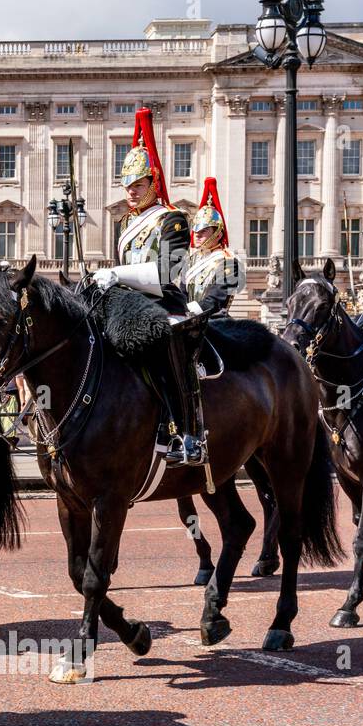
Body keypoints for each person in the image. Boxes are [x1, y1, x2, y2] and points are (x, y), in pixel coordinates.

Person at [91, 106, 203, 467]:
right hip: (128, 302)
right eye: (127, 186)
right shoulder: (125, 224)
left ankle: (186, 432)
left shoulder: (173, 220)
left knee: (165, 341)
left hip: (164, 302)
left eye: (138, 185)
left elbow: (169, 270)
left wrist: (118, 275)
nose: (131, 192)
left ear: (154, 183)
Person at [183, 178, 245, 316]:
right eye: (195, 231)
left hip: (214, 321)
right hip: (188, 320)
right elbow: (182, 293)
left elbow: (215, 301)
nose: (197, 235)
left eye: (203, 231)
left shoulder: (228, 262)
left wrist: (186, 312)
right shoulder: (191, 260)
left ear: (218, 234)